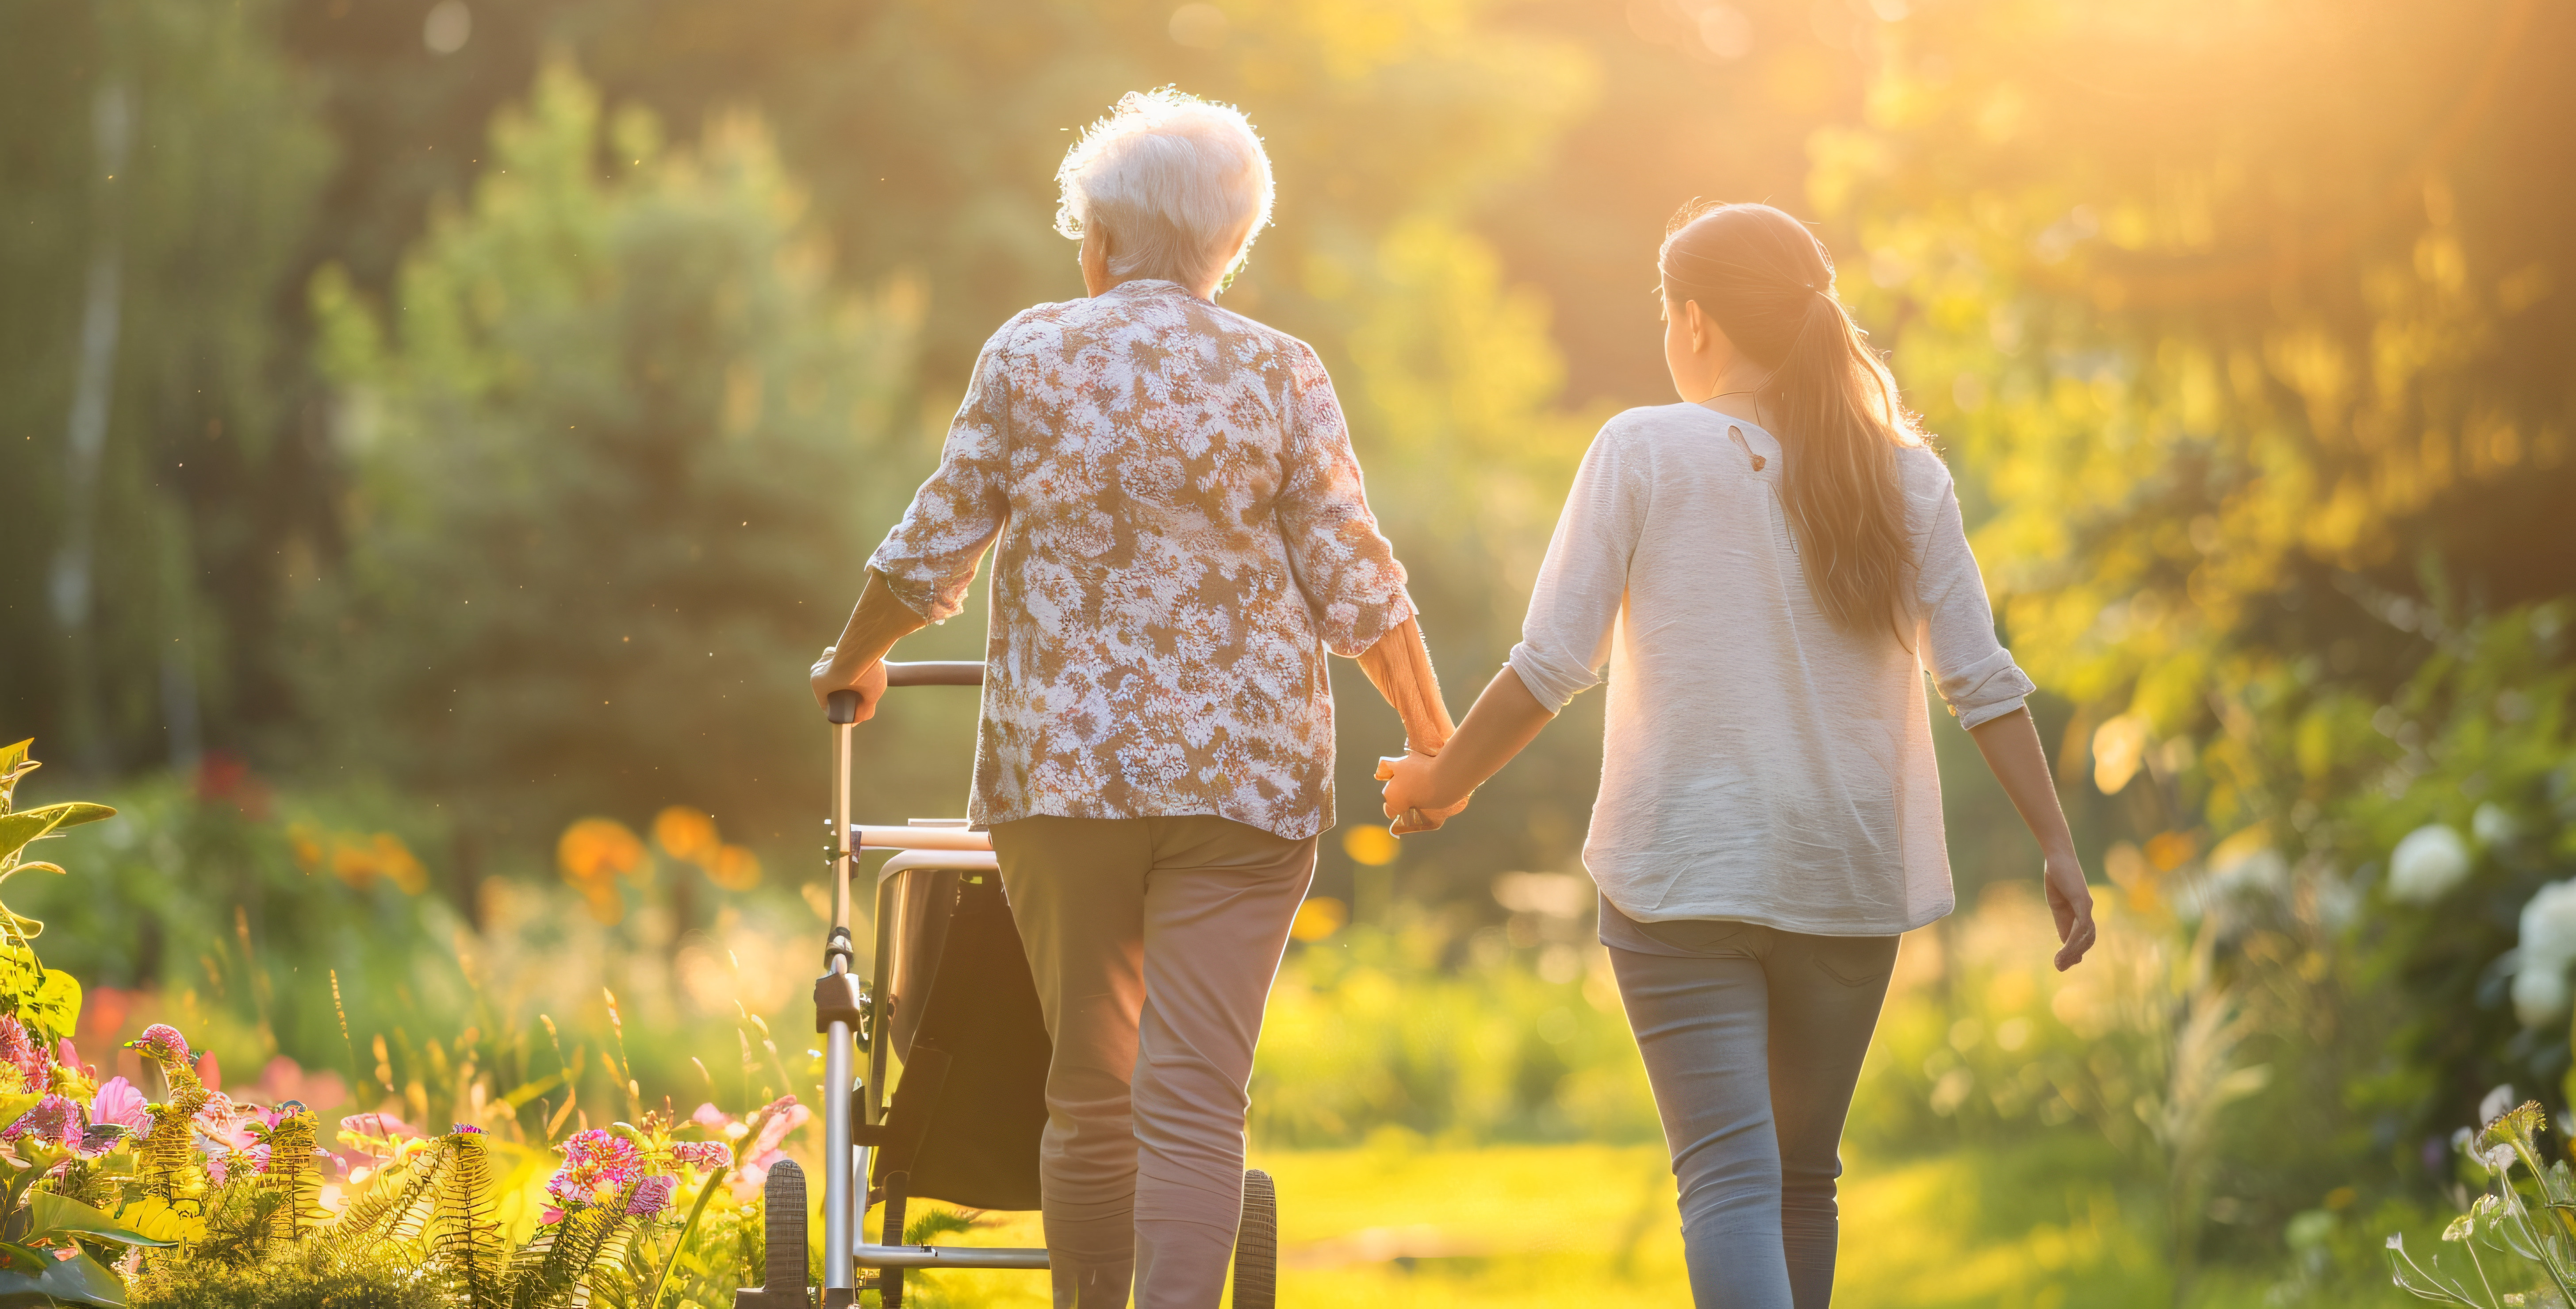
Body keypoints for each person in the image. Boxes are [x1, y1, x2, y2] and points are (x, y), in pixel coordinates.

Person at [1378, 201, 2097, 1309]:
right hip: (1846, 874)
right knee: (1802, 1180)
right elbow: (1980, 681)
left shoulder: (1641, 449)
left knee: (1725, 1177)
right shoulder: (1906, 477)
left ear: (1696, 323)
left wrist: (1438, 781)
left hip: (1684, 867)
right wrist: (2055, 843)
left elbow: (1548, 667)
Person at [809, 88, 1453, 1309]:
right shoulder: (1281, 371)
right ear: (1232, 242)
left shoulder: (1031, 352)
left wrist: (854, 657)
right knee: (1199, 1096)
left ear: (1100, 239)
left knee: (1091, 1092)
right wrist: (1433, 743)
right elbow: (1356, 573)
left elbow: (931, 546)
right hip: (1246, 789)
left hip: (1065, 781)